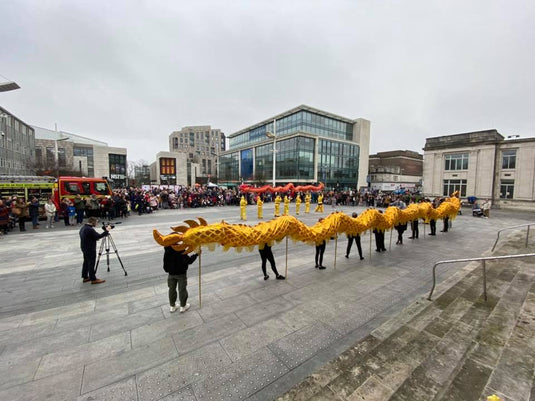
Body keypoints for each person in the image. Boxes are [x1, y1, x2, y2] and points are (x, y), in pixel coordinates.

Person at [163, 246, 198, 313]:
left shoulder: (167, 250)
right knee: (182, 290)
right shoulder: (180, 249)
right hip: (181, 274)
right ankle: (183, 306)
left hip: (171, 274)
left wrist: (169, 270)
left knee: (171, 289)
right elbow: (189, 261)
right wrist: (196, 254)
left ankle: (172, 306)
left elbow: (165, 264)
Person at [79, 216, 110, 284]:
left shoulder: (83, 228)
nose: (96, 224)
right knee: (91, 263)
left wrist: (93, 238)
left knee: (86, 262)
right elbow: (98, 236)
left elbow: (88, 237)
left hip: (84, 247)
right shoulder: (90, 229)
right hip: (90, 248)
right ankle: (93, 279)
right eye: (96, 222)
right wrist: (107, 230)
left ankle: (85, 276)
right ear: (92, 222)